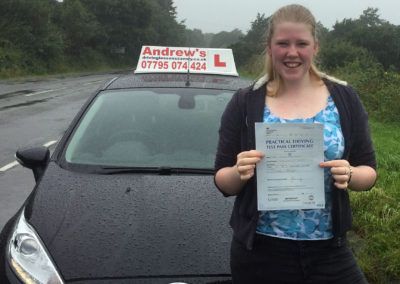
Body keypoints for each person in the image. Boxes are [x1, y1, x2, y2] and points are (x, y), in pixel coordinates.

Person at [214, 4, 377, 284]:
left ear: (315, 47)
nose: (292, 52)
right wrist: (238, 172)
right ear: (269, 47)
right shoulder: (245, 102)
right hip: (260, 253)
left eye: (301, 43)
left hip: (330, 251)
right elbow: (222, 181)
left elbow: (369, 172)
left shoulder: (344, 98)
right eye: (283, 43)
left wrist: (349, 174)